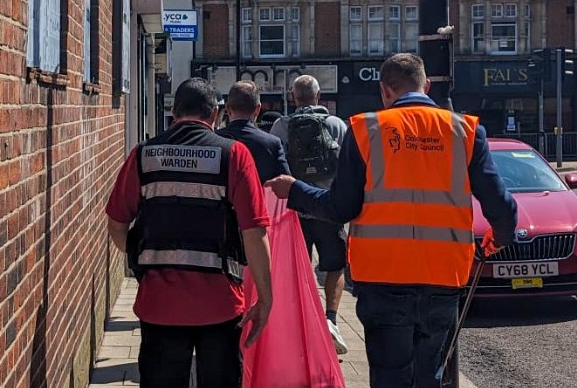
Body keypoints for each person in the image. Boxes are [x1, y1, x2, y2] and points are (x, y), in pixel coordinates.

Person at [265, 54, 518, 388]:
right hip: (442, 277)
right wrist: (498, 237)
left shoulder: (366, 130)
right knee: (431, 376)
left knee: (389, 377)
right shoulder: (466, 131)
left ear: (384, 90)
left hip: (382, 277)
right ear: (426, 85)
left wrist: (295, 190)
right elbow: (502, 207)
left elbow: (341, 207)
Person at [106, 78, 273, 388]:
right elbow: (254, 232)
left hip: (158, 304)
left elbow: (116, 223)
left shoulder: (143, 155)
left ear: (173, 112)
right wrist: (265, 298)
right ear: (216, 114)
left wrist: (141, 261)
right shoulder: (234, 155)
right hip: (221, 305)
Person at [269, 74, 350, 354]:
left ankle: (299, 323)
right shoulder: (337, 125)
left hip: (295, 208)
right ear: (318, 97)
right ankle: (331, 321)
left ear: (293, 97)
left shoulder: (282, 125)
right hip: (329, 208)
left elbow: (274, 164)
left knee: (295, 269)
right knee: (335, 266)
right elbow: (348, 168)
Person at [217, 81, 291, 183]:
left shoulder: (214, 139)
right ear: (257, 109)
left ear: (228, 108)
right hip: (260, 197)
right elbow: (286, 183)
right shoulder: (272, 144)